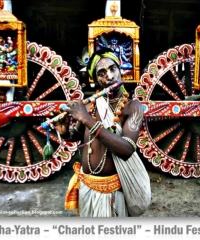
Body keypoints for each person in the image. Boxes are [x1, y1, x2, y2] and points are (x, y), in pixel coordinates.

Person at [53, 47, 147, 217]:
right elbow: (78, 137)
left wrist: (85, 118)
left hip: (114, 192)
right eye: (101, 73)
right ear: (96, 79)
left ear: (120, 71)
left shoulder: (133, 107)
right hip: (87, 186)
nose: (109, 77)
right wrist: (65, 132)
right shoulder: (91, 105)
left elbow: (126, 150)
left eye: (113, 69)